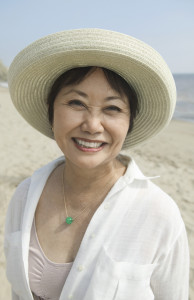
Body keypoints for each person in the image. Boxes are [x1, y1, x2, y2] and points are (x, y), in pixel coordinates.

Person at [4, 28, 189, 300]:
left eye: (112, 108)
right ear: (51, 110)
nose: (92, 125)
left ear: (129, 122)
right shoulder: (25, 195)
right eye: (76, 103)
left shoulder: (159, 214)